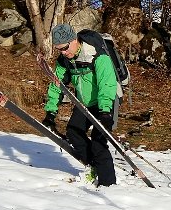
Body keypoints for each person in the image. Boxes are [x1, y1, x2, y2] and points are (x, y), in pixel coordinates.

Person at [41, 24, 119, 186]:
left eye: (65, 48)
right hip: (84, 103)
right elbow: (56, 85)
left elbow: (107, 84)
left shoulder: (97, 54)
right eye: (59, 49)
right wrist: (51, 112)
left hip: (105, 102)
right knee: (73, 133)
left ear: (74, 40)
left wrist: (105, 112)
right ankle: (94, 167)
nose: (63, 52)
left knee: (99, 142)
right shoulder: (64, 61)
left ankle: (108, 185)